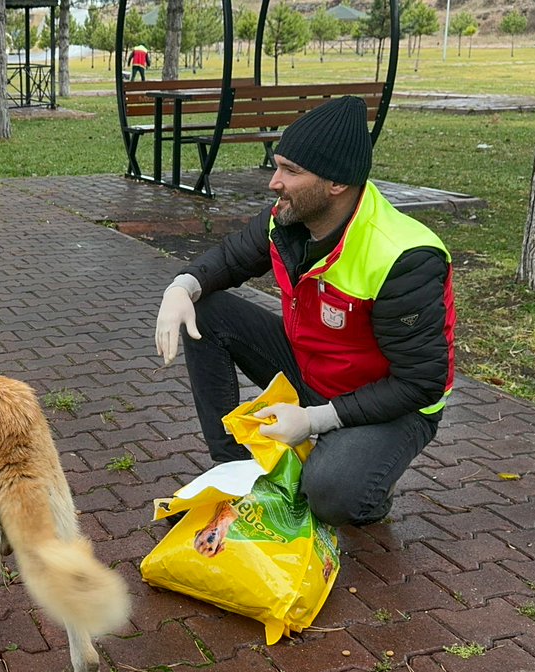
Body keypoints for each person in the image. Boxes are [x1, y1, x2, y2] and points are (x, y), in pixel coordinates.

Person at [154, 95, 456, 527]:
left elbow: (420, 383)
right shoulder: (288, 218)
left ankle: (370, 484)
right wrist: (181, 288)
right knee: (204, 310)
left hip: (390, 402)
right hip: (312, 369)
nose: (274, 182)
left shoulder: (404, 256)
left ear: (336, 184)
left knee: (332, 494)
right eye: (277, 166)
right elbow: (231, 259)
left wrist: (314, 420)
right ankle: (233, 470)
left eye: (291, 171)